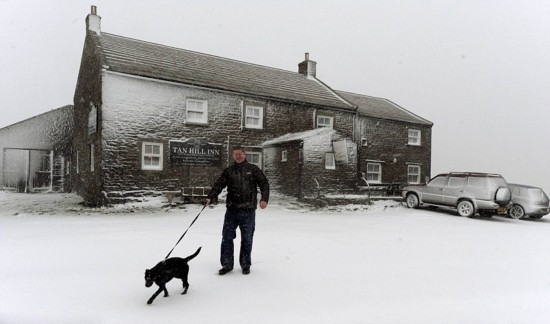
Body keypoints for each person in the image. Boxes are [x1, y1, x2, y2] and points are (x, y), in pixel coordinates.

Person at [205, 146, 269, 275]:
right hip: (232, 210)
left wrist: (264, 199)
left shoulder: (253, 169)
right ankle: (227, 265)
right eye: (235, 154)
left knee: (247, 238)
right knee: (227, 238)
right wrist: (211, 196)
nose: (238, 156)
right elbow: (219, 184)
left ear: (245, 155)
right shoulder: (229, 171)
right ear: (233, 156)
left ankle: (245, 264)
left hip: (248, 210)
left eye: (240, 154)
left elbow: (264, 184)